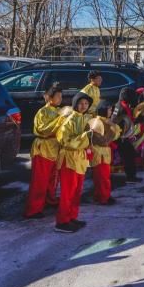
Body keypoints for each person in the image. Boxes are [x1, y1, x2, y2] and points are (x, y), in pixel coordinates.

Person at [54, 92, 98, 233]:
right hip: (69, 160)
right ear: (75, 104)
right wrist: (86, 136)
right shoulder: (69, 120)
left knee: (77, 191)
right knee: (68, 192)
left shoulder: (84, 118)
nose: (83, 106)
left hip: (80, 159)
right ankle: (61, 222)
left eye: (86, 104)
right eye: (81, 103)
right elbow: (64, 140)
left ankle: (71, 217)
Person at [24, 83, 64, 219]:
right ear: (50, 98)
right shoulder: (43, 112)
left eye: (61, 96)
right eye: (57, 96)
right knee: (39, 181)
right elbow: (43, 130)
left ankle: (49, 200)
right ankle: (34, 209)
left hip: (55, 148)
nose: (60, 99)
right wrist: (60, 120)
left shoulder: (58, 111)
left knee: (53, 178)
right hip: (44, 148)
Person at [89, 100, 122, 205]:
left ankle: (102, 195)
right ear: (103, 110)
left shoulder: (106, 120)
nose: (111, 111)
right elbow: (104, 140)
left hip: (104, 152)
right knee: (101, 177)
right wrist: (112, 127)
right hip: (99, 152)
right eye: (109, 109)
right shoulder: (97, 122)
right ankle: (103, 198)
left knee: (104, 176)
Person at [111, 88, 143, 183]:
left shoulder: (123, 105)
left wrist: (138, 120)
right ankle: (131, 177)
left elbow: (128, 119)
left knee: (130, 155)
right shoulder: (119, 106)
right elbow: (114, 120)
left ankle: (131, 176)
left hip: (124, 135)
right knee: (129, 156)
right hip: (120, 137)